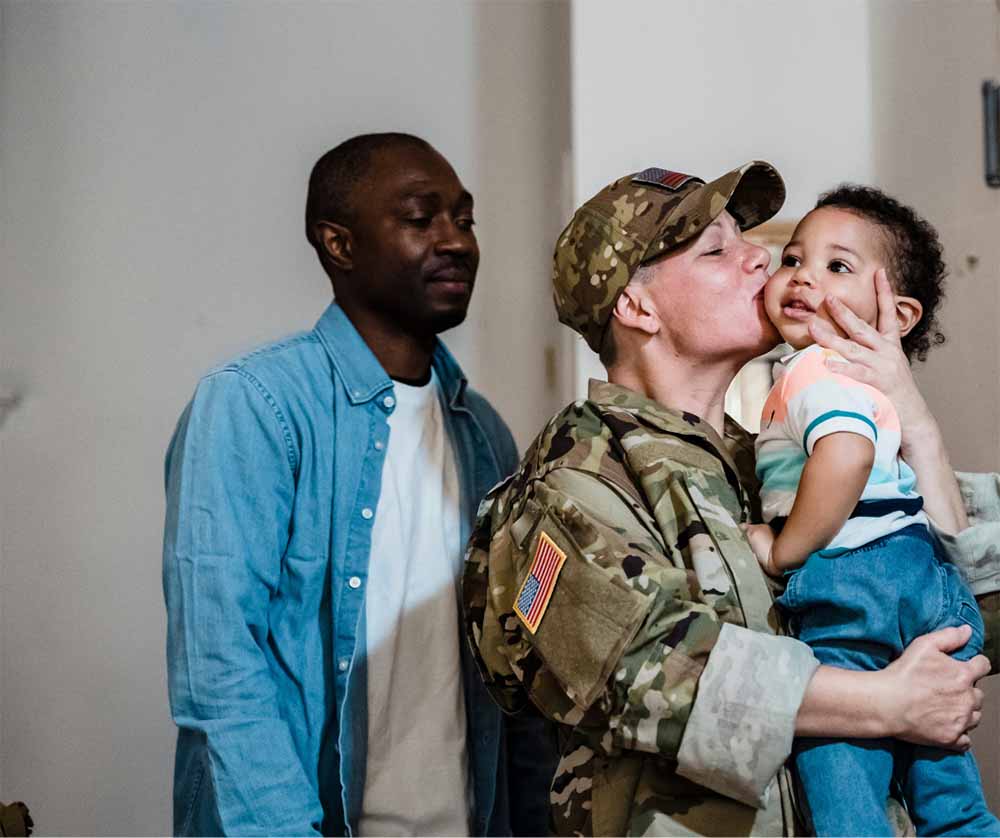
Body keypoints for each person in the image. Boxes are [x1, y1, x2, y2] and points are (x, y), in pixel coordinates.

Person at [462, 161, 999, 836]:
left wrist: (911, 417)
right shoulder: (572, 481)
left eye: (750, 240)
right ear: (636, 307)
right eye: (717, 249)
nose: (761, 259)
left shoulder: (772, 456)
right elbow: (648, 668)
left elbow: (968, 597)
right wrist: (885, 703)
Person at [163, 132, 555, 837]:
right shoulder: (256, 406)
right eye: (420, 217)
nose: (456, 241)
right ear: (339, 245)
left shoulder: (484, 434)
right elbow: (221, 668)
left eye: (464, 219)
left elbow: (515, 673)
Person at [744, 185, 1000, 836]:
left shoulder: (812, 373)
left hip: (856, 588)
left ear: (898, 313)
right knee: (954, 804)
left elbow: (846, 458)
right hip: (926, 586)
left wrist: (783, 549)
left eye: (837, 266)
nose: (801, 276)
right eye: (795, 258)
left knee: (843, 795)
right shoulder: (859, 391)